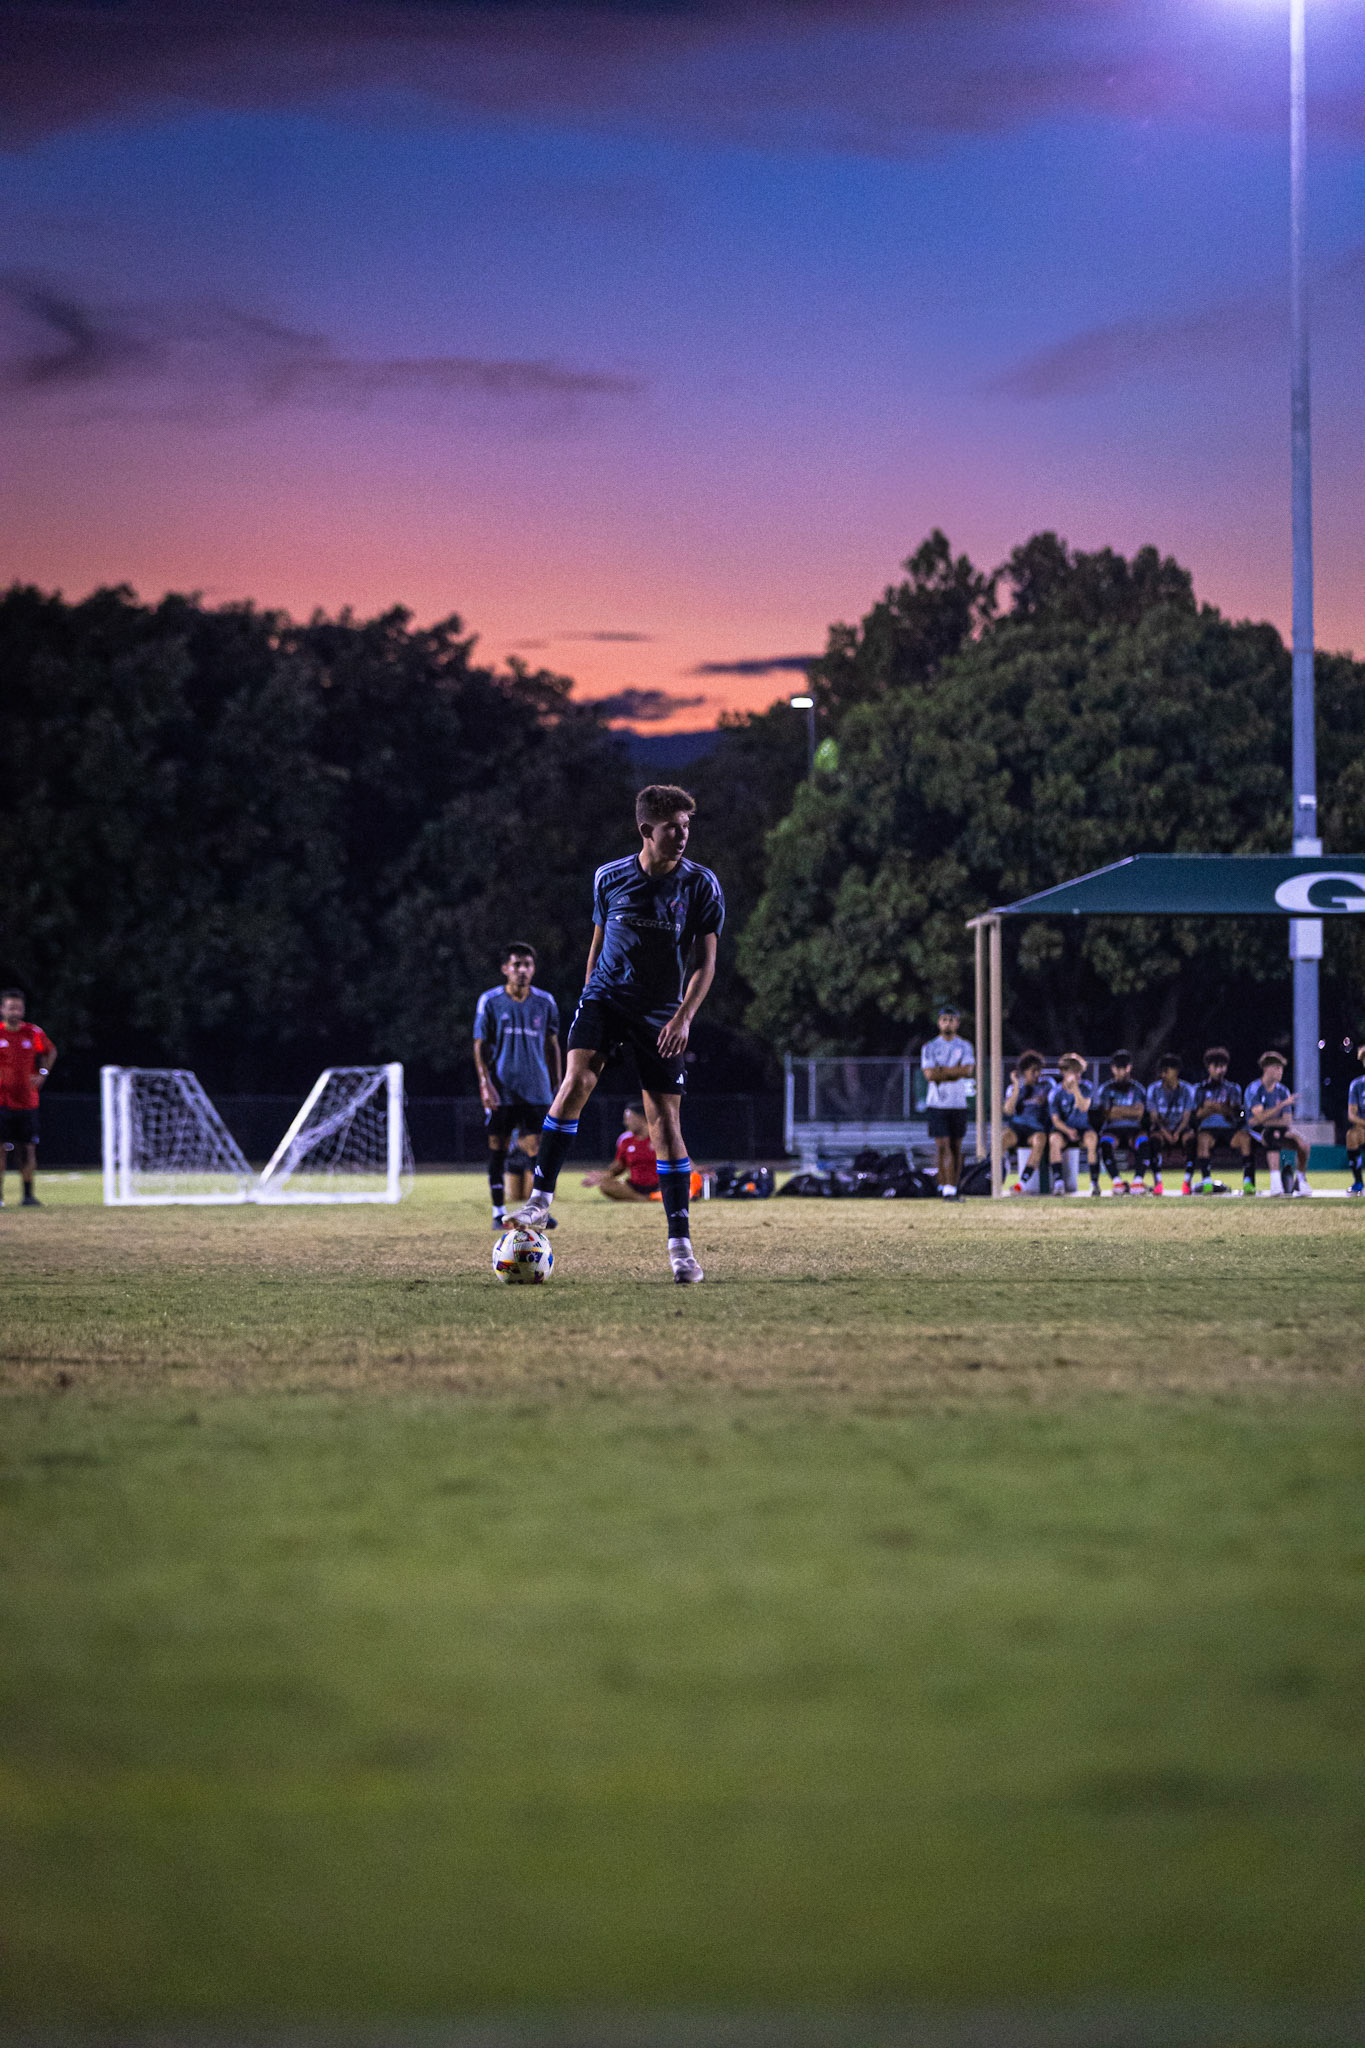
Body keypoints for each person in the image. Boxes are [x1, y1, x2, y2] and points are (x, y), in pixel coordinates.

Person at [509, 785, 724, 1284]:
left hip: (661, 1014)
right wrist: (590, 996)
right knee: (576, 1082)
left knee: (665, 1123)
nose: (683, 835)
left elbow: (706, 962)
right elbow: (599, 941)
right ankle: (540, 1200)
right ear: (647, 830)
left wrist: (683, 1018)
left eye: (687, 826)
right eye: (673, 827)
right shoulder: (609, 877)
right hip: (605, 1000)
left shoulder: (700, 884)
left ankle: (681, 1248)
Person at [473, 943, 561, 1230]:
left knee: (539, 1150)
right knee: (498, 1148)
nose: (522, 970)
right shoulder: (490, 1001)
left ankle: (538, 1210)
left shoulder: (545, 1002)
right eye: (516, 965)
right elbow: (480, 1045)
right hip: (502, 1089)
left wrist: (558, 1084)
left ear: (533, 969)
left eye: (527, 965)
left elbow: (552, 1045)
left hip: (537, 1089)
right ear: (505, 969)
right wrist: (485, 1083)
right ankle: (498, 1211)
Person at [0, 989, 57, 1208]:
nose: (15, 1012)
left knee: (27, 1150)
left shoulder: (33, 1033)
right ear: (2, 1009)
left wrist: (43, 1073)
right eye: (11, 1007)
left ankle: (28, 1196)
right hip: (2, 1102)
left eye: (18, 1008)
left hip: (27, 1103)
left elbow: (50, 1052)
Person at [920, 1002, 975, 1200]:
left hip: (958, 1103)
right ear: (939, 1022)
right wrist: (953, 1072)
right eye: (944, 1019)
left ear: (957, 1023)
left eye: (951, 1020)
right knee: (943, 1145)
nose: (948, 1023)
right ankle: (946, 1187)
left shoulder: (965, 1046)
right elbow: (929, 1074)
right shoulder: (930, 1046)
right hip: (937, 1103)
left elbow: (967, 1070)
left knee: (956, 1146)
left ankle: (952, 1185)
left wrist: (942, 1071)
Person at [1243, 1051, 1311, 1196]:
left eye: (1281, 1068)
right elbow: (1257, 1119)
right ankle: (1275, 1182)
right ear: (1266, 1068)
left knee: (1304, 1144)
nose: (1280, 1071)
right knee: (1273, 1135)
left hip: (1279, 1129)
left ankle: (1300, 1180)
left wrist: (1265, 1118)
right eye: (1277, 1068)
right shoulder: (1254, 1089)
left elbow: (1286, 1120)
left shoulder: (1283, 1090)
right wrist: (1280, 1106)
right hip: (1256, 1131)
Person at [1187, 1047, 1249, 1195]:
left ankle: (1248, 1181)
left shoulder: (1233, 1088)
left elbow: (1238, 1113)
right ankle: (1207, 1181)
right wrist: (1219, 1108)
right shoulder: (1199, 1089)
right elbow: (1196, 1115)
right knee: (1202, 1139)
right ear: (1209, 1068)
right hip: (1208, 1129)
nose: (1220, 1070)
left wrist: (1214, 1108)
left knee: (1246, 1138)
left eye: (1222, 1066)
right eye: (1216, 1067)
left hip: (1229, 1129)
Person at [1085, 1050, 1148, 1196]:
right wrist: (1129, 1110)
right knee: (1105, 1144)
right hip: (1113, 1129)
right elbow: (1107, 1114)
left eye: (1124, 1068)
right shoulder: (1106, 1089)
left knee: (1144, 1142)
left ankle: (1137, 1181)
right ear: (1113, 1068)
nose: (1121, 1072)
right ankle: (1117, 1182)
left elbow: (1139, 1113)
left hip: (1133, 1129)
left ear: (1129, 1068)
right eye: (1118, 1068)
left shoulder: (1137, 1088)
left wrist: (1116, 1110)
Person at [583, 1102, 660, 1203]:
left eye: (629, 1118)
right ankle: (645, 1199)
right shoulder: (626, 1141)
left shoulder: (660, 1138)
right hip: (634, 1187)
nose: (626, 1122)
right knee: (605, 1185)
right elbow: (618, 1167)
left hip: (659, 1186)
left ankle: (650, 1197)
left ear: (641, 1118)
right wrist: (604, 1175)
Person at [1145, 1054, 1194, 1197]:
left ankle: (1187, 1182)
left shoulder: (1186, 1089)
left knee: (1191, 1141)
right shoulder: (1154, 1089)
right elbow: (1154, 1116)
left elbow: (1186, 1116)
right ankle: (1157, 1182)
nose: (1163, 1074)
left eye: (1167, 1071)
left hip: (1180, 1129)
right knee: (1154, 1140)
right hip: (1162, 1130)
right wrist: (1165, 1132)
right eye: (1162, 1071)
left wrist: (1177, 1132)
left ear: (1176, 1071)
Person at [1004, 1051, 1052, 1194]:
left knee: (1040, 1140)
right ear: (1024, 1071)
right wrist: (1016, 1086)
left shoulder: (1045, 1086)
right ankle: (994, 1175)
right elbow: (1008, 1110)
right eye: (1033, 1071)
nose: (1037, 1074)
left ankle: (1022, 1183)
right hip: (1017, 1128)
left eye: (1039, 1070)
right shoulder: (1014, 1088)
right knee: (1001, 1140)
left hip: (1035, 1129)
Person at [1048, 1054, 1091, 1196]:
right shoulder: (1055, 1092)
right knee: (1054, 1139)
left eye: (1079, 1072)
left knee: (1092, 1139)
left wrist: (1076, 1089)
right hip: (1064, 1130)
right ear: (1064, 1072)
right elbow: (1055, 1120)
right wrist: (1068, 1131)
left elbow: (1083, 1107)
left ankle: (1094, 1182)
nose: (1077, 1075)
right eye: (1074, 1071)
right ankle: (1059, 1182)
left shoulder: (1085, 1087)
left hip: (1082, 1128)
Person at [1346, 1040, 1365, 1196]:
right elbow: (1352, 1115)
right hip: (1363, 1127)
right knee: (1351, 1135)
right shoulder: (1357, 1085)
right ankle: (1358, 1182)